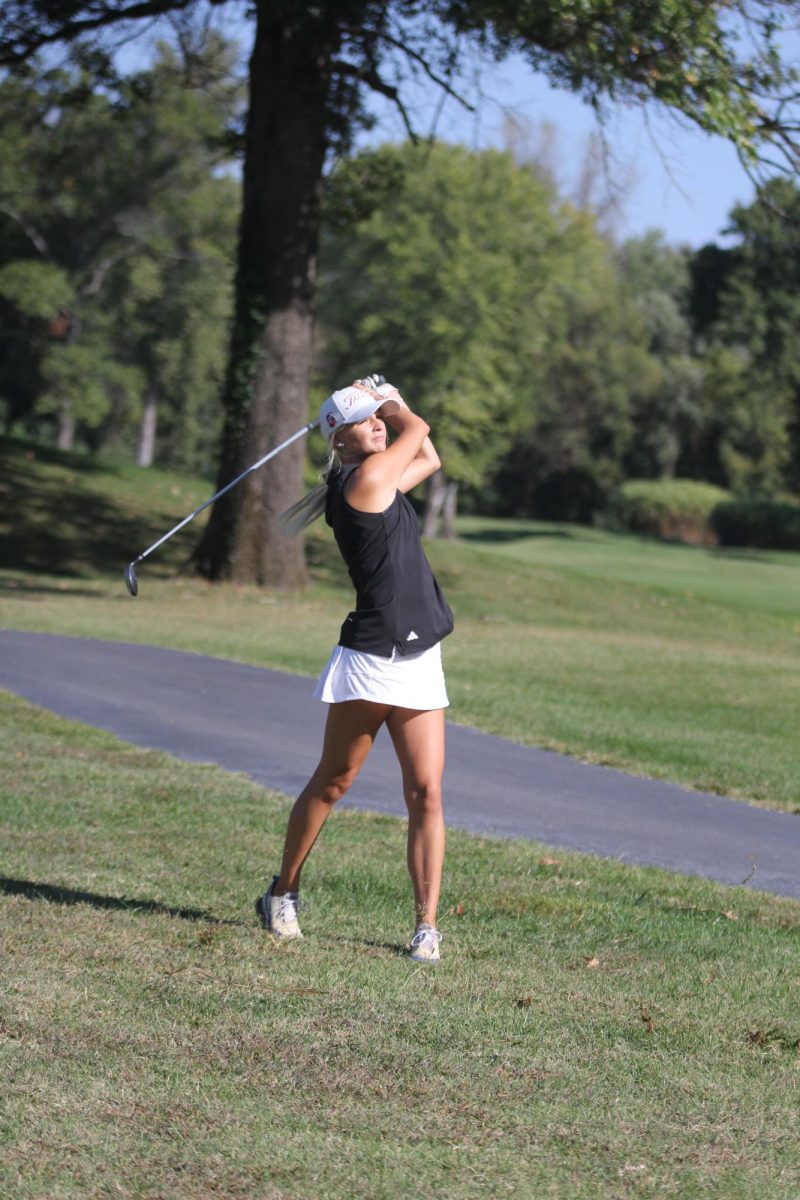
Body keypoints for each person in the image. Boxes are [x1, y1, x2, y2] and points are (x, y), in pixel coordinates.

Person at [255, 376, 454, 962]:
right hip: (370, 660)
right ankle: (283, 890)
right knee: (334, 781)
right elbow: (416, 431)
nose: (379, 423)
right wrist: (392, 398)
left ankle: (426, 926)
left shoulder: (379, 476)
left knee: (427, 792)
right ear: (339, 441)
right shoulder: (365, 480)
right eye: (366, 420)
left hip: (419, 658)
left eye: (378, 417)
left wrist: (388, 404)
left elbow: (430, 454)